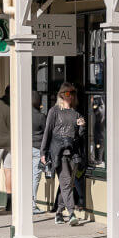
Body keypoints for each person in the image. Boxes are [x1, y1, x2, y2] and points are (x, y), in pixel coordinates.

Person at [41, 83, 86, 226]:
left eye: (72, 93)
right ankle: (71, 213)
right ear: (61, 94)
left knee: (66, 183)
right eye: (67, 93)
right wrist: (43, 152)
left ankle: (59, 212)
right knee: (66, 182)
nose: (70, 96)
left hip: (72, 152)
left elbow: (79, 137)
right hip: (58, 153)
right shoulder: (54, 111)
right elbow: (47, 132)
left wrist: (82, 126)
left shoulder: (76, 113)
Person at [29, 91, 48, 215]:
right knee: (35, 176)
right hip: (37, 148)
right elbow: (46, 133)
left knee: (26, 176)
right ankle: (32, 204)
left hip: (25, 148)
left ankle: (25, 202)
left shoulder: (22, 114)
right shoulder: (40, 116)